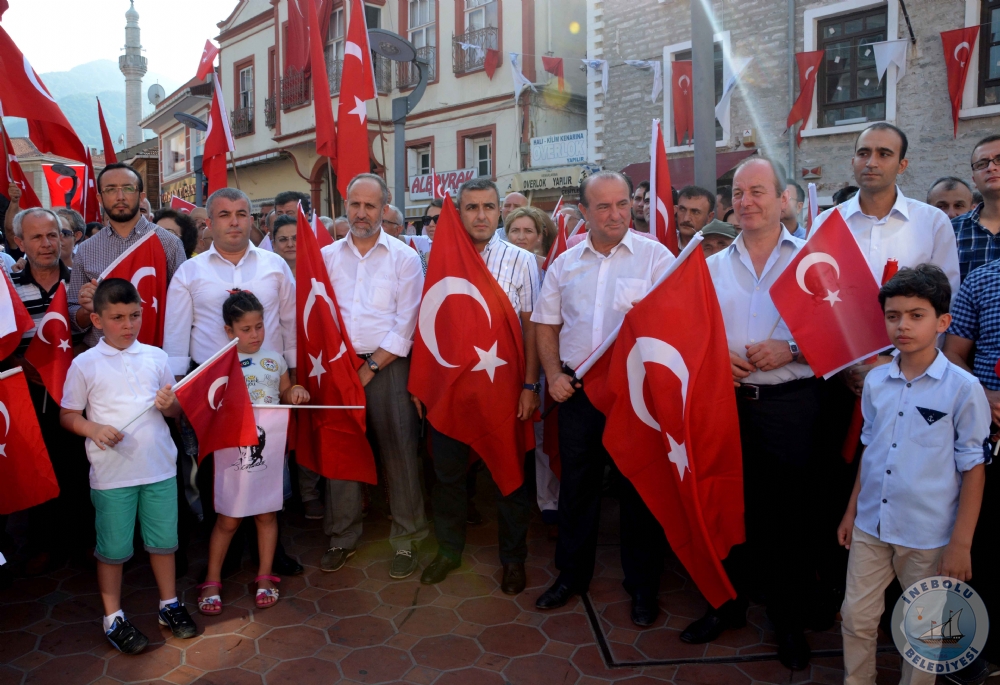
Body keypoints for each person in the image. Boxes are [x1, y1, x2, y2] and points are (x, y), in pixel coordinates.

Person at [686, 157, 818, 670]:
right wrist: (715, 357)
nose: (747, 202)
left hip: (791, 407)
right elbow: (693, 337)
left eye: (758, 191)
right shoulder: (709, 265)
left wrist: (792, 349)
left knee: (790, 518)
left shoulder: (813, 259)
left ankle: (788, 621)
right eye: (738, 193)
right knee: (725, 509)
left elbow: (846, 334)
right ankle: (728, 606)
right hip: (727, 406)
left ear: (783, 197)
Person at [531, 171, 673, 626]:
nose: (616, 214)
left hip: (635, 395)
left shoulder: (656, 259)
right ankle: (571, 576)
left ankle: (643, 586)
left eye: (623, 205)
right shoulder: (565, 264)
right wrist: (552, 374)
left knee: (638, 492)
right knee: (578, 489)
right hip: (578, 392)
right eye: (604, 207)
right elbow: (546, 323)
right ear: (585, 212)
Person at [840, 265, 987, 685]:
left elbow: (973, 467)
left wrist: (960, 543)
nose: (902, 325)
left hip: (928, 535)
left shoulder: (961, 388)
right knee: (856, 617)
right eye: (893, 315)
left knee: (922, 636)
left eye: (916, 315)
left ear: (943, 322)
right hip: (871, 524)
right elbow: (871, 451)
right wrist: (852, 512)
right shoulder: (876, 382)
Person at [163, 187, 301, 576]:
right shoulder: (191, 272)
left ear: (252, 219)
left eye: (242, 213)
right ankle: (222, 556)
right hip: (214, 391)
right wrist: (177, 390)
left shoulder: (275, 266)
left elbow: (288, 323)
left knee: (268, 466)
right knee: (216, 473)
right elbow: (175, 334)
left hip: (267, 387)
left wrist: (291, 378)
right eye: (225, 215)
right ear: (210, 222)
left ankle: (270, 554)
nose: (235, 221)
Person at [414, 178, 541, 592]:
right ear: (459, 211)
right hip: (452, 391)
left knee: (510, 478)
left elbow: (531, 330)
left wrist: (529, 385)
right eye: (472, 207)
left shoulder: (522, 260)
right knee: (448, 480)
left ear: (500, 211)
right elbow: (428, 324)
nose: (481, 215)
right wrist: (423, 384)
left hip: (504, 391)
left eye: (489, 207)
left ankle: (513, 559)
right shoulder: (438, 257)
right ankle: (448, 552)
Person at [60, 278, 197, 653]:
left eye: (134, 315)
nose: (128, 325)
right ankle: (112, 617)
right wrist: (93, 428)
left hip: (159, 469)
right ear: (98, 320)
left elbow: (174, 411)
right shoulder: (84, 364)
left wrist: (170, 403)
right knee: (114, 550)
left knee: (164, 543)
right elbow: (68, 414)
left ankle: (169, 605)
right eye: (118, 317)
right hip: (112, 475)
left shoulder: (156, 357)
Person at [320, 173, 427, 579]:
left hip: (389, 366)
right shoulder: (328, 257)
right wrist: (344, 367)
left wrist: (371, 366)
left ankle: (407, 538)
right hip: (339, 367)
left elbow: (406, 322)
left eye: (370, 205)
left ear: (384, 209)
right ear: (345, 207)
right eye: (355, 204)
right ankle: (342, 537)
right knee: (343, 450)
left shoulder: (403, 257)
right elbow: (321, 315)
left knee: (399, 452)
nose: (361, 213)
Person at [814, 122, 961, 397]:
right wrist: (844, 364)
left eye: (883, 154)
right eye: (863, 153)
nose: (871, 162)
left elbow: (944, 303)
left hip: (910, 375)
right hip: (840, 372)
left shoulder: (932, 222)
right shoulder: (827, 223)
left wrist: (896, 361)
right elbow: (815, 298)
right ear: (853, 160)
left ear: (902, 165)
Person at [196, 291, 310, 616]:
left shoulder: (275, 359)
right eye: (245, 329)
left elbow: (284, 391)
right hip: (232, 455)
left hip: (269, 452)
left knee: (266, 513)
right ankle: (213, 579)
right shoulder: (220, 364)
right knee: (229, 519)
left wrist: (295, 391)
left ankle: (264, 576)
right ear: (229, 330)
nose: (255, 334)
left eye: (259, 326)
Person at [6, 208, 91, 575]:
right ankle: (45, 545)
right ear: (19, 242)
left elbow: (90, 331)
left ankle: (83, 542)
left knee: (79, 468)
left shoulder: (80, 282)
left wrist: (88, 311)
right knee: (39, 468)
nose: (47, 243)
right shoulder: (6, 286)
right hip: (27, 395)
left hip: (76, 395)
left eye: (53, 235)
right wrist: (24, 364)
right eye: (37, 237)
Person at [942, 257, 1000, 684]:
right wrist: (984, 395)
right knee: (985, 545)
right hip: (991, 431)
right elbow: (954, 353)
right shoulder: (983, 279)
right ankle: (973, 653)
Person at [68, 162, 186, 349]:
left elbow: (183, 309)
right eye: (111, 189)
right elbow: (74, 319)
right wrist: (87, 309)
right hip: (102, 362)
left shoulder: (168, 243)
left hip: (155, 357)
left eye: (128, 188)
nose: (120, 196)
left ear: (141, 196)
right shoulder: (86, 249)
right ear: (100, 198)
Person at [952, 135, 1000, 281]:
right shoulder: (952, 231)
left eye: (999, 160)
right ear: (974, 180)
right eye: (982, 164)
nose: (991, 168)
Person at [505, 205, 554, 269]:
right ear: (507, 235)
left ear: (539, 236)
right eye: (515, 230)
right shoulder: (495, 263)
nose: (521, 237)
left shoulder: (549, 267)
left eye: (528, 231)